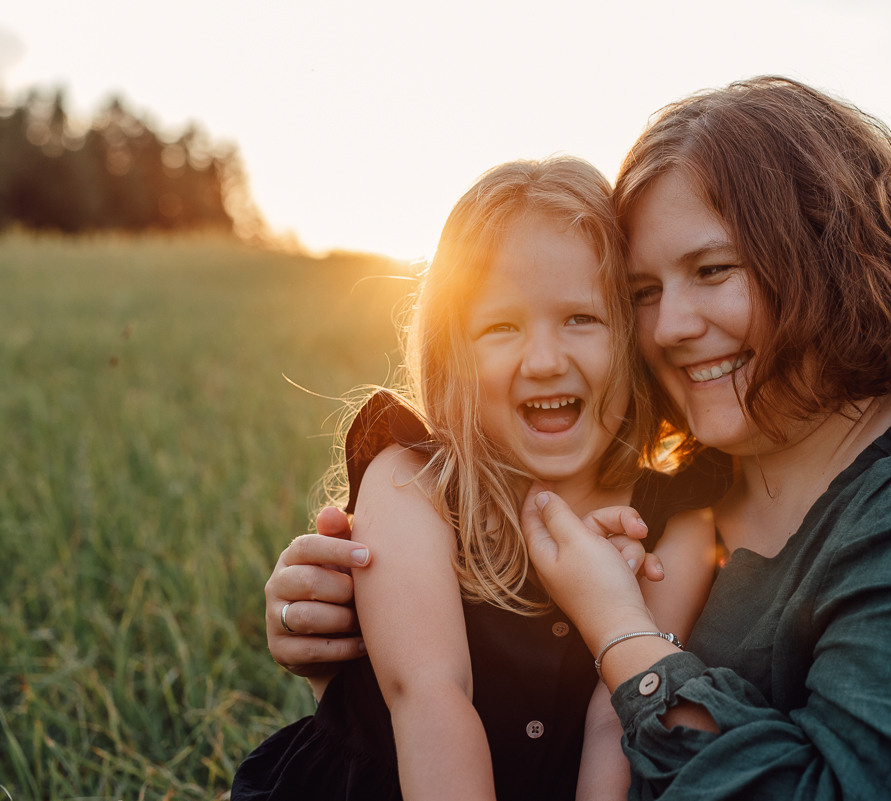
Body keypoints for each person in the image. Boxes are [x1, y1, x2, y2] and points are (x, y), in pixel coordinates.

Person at [262, 78, 891, 799]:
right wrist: (353, 650)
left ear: (828, 255)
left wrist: (617, 626)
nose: (671, 326)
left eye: (713, 270)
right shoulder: (710, 472)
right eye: (642, 293)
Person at [234, 157, 723, 801]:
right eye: (501, 326)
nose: (544, 360)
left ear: (632, 339)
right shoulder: (414, 479)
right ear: (453, 354)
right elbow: (429, 697)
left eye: (581, 318)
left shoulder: (675, 520)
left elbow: (618, 720)